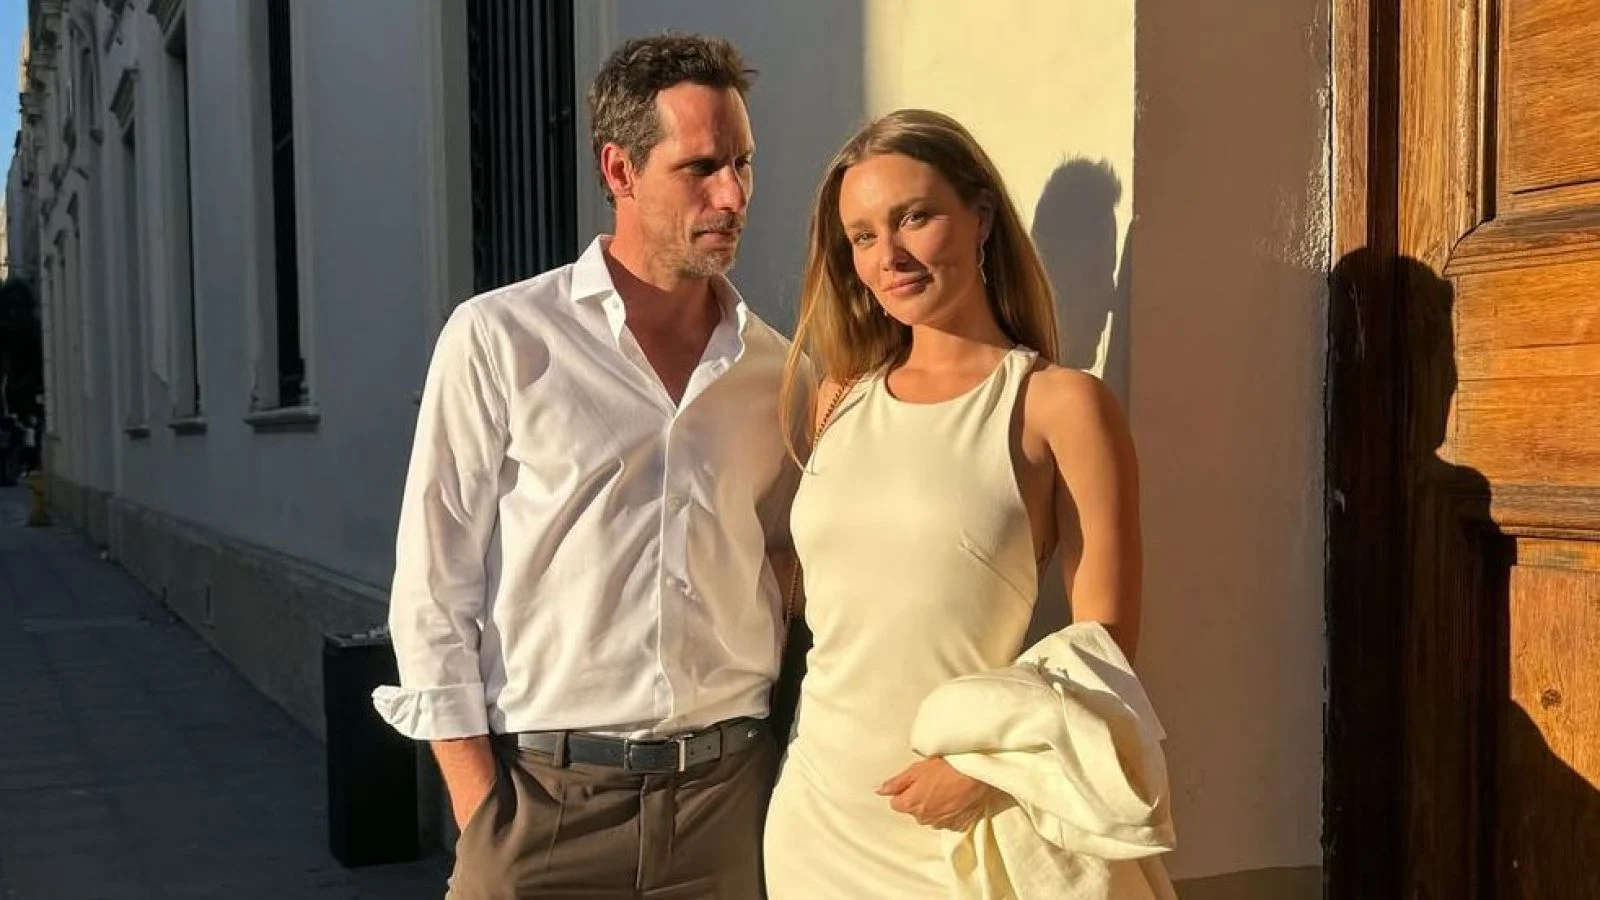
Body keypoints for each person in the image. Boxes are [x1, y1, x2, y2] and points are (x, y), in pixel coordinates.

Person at [375, 33, 797, 898]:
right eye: (701, 167)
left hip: (728, 807)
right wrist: (483, 815)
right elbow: (433, 587)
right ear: (620, 170)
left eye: (744, 164)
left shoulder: (777, 371)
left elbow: (796, 560)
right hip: (545, 805)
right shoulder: (500, 338)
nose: (732, 195)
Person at [764, 109, 1144, 896]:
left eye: (914, 218)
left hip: (966, 827)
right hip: (817, 820)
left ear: (981, 218)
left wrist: (986, 766)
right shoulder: (836, 398)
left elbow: (1106, 637)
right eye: (862, 236)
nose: (889, 255)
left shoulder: (1058, 405)